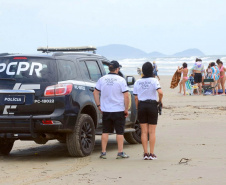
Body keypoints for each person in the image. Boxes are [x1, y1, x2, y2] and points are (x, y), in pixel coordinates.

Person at [93, 60, 130, 159]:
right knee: (119, 132)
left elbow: (95, 92)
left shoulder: (102, 79)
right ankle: (120, 152)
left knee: (105, 131)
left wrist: (98, 105)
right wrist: (126, 108)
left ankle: (103, 152)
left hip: (106, 110)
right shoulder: (121, 80)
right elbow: (126, 96)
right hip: (118, 109)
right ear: (117, 69)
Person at [133, 62, 163, 160]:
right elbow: (160, 92)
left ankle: (145, 153)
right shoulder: (154, 80)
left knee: (144, 132)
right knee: (152, 131)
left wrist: (138, 108)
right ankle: (152, 153)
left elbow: (136, 98)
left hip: (142, 105)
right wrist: (160, 101)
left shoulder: (137, 82)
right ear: (151, 70)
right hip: (152, 105)